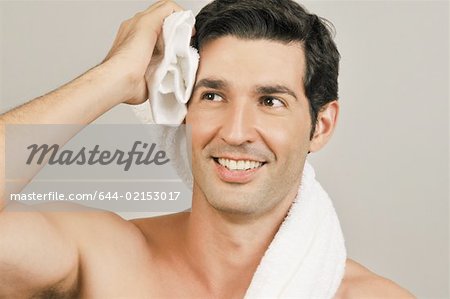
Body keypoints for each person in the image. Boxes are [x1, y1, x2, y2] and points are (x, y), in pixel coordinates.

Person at [0, 0, 415, 298]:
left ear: (320, 127)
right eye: (213, 96)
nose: (235, 132)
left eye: (270, 102)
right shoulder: (102, 260)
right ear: (182, 109)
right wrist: (116, 77)